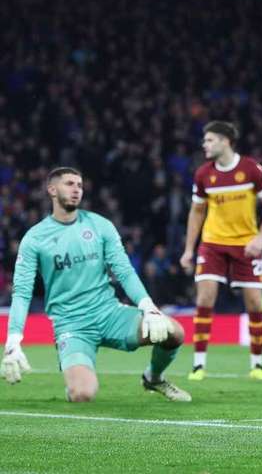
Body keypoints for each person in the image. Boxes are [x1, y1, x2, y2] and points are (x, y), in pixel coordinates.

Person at [1, 167, 190, 402]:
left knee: (175, 332)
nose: (76, 190)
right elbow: (21, 292)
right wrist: (13, 340)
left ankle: (153, 378)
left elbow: (124, 270)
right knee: (83, 393)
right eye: (69, 184)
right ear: (52, 189)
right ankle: (74, 382)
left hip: (109, 313)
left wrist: (148, 306)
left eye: (79, 185)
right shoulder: (35, 238)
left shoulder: (100, 226)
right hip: (72, 324)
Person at [179, 121, 262, 381]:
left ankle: (257, 365)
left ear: (226, 141)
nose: (205, 144)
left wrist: (261, 238)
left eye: (210, 140)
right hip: (212, 243)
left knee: (255, 303)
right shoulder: (203, 174)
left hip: (245, 245)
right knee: (204, 299)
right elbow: (197, 211)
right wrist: (188, 249)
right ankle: (198, 365)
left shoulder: (250, 169)